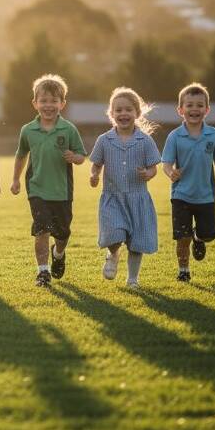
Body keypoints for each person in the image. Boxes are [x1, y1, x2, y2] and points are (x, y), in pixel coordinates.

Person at [9, 74, 86, 287]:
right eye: (43, 101)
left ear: (62, 103)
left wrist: (74, 157)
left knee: (62, 233)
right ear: (35, 103)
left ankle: (58, 253)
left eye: (54, 101)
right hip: (37, 189)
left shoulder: (69, 129)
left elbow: (81, 156)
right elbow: (21, 155)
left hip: (62, 191)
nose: (48, 105)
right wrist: (15, 179)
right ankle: (42, 271)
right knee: (41, 229)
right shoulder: (28, 130)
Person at [89, 87, 160, 288]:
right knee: (114, 235)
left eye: (128, 109)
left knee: (136, 243)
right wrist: (94, 175)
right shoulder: (104, 140)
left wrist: (149, 174)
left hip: (138, 199)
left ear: (137, 113)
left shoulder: (145, 141)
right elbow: (96, 164)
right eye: (118, 110)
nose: (123, 114)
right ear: (111, 115)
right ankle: (113, 254)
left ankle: (132, 279)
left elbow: (154, 167)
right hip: (113, 198)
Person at [161, 83, 215, 282]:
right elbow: (166, 163)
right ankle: (183, 270)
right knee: (182, 237)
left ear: (207, 110)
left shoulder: (214, 135)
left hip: (206, 195)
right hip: (181, 195)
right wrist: (170, 173)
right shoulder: (174, 136)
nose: (194, 109)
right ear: (180, 110)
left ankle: (199, 238)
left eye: (200, 105)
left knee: (209, 234)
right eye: (189, 105)